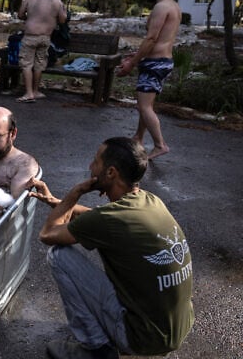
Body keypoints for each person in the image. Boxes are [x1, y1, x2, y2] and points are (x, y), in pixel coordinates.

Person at [28, 137, 193, 359]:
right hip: (175, 330)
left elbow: (47, 234)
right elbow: (97, 220)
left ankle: (96, 349)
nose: (90, 167)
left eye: (96, 161)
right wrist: (58, 202)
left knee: (59, 256)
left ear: (111, 172)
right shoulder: (150, 201)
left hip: (142, 340)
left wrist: (76, 192)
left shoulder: (111, 221)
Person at [116, 0, 181, 160]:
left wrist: (132, 63)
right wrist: (137, 54)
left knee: (144, 106)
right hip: (162, 61)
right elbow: (159, 39)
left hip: (155, 63)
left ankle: (160, 145)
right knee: (147, 104)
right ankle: (138, 137)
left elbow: (152, 38)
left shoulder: (161, 7)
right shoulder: (174, 6)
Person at [16, 0, 67, 103]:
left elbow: (20, 14)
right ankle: (36, 90)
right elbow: (62, 20)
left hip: (30, 37)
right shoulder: (57, 1)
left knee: (26, 64)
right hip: (45, 38)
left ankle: (28, 93)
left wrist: (31, 17)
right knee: (39, 65)